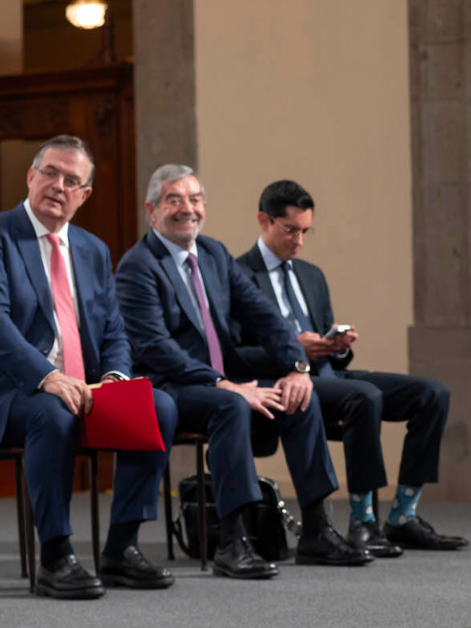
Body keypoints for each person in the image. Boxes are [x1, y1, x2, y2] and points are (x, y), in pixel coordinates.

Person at [0, 136, 178, 600]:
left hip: (81, 388)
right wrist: (47, 377)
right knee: (52, 412)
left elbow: (114, 332)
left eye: (72, 180)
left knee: (158, 407)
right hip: (4, 391)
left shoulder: (93, 249)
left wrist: (115, 381)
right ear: (31, 176)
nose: (58, 186)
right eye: (50, 173)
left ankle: (121, 548)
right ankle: (56, 556)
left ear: (84, 195)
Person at [114, 164, 373, 580]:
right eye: (174, 200)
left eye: (195, 199)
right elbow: (154, 348)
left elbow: (265, 315)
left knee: (299, 398)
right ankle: (233, 542)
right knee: (231, 406)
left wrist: (298, 368)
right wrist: (225, 384)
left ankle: (317, 531)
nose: (187, 209)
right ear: (152, 210)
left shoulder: (214, 254)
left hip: (224, 378)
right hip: (171, 384)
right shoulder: (138, 266)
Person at [233, 180, 467, 555]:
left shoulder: (311, 275)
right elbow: (235, 353)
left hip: (328, 375)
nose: (299, 241)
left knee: (432, 394)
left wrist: (336, 347)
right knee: (365, 395)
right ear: (264, 220)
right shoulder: (238, 275)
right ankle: (363, 521)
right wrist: (295, 350)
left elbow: (329, 351)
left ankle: (404, 515)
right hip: (281, 382)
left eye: (306, 231)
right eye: (290, 229)